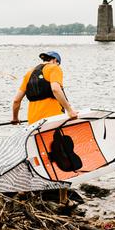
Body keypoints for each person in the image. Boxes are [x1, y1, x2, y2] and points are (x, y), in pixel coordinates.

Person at [11, 51, 78, 204]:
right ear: (55, 60)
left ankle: (24, 190)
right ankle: (63, 199)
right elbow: (55, 89)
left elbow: (16, 101)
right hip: (53, 122)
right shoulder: (54, 68)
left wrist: (15, 118)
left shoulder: (29, 73)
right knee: (63, 154)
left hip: (34, 125)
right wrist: (69, 110)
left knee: (34, 156)